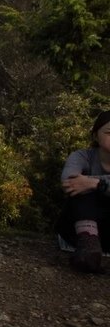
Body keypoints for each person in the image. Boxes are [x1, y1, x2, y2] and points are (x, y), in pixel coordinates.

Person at [59, 110, 110, 273]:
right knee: (81, 193)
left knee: (90, 186)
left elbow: (84, 182)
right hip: (77, 231)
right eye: (109, 132)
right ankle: (88, 245)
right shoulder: (81, 156)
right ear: (95, 135)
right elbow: (69, 182)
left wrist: (92, 182)